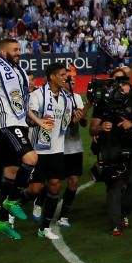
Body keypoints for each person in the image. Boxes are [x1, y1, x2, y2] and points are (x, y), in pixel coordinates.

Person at [0, 39, 37, 238]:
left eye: (20, 49)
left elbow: (20, 99)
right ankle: (13, 201)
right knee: (31, 159)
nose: (19, 52)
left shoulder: (18, 69)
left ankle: (2, 221)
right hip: (5, 124)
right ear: (2, 51)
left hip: (19, 123)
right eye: (15, 49)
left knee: (11, 172)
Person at [90, 75, 132, 235]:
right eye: (122, 84)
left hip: (131, 147)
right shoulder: (102, 104)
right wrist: (102, 127)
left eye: (126, 84)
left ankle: (123, 212)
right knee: (114, 186)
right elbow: (92, 129)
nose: (126, 87)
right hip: (110, 148)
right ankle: (115, 223)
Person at [28, 63, 73, 240]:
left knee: (55, 185)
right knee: (34, 189)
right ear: (52, 77)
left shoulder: (66, 98)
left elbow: (69, 121)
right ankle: (11, 206)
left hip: (57, 148)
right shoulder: (37, 95)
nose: (65, 78)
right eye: (62, 75)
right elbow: (28, 119)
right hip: (38, 149)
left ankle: (44, 227)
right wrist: (39, 121)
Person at [57, 84, 87, 227]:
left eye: (74, 79)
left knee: (74, 181)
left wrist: (87, 107)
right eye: (68, 78)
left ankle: (63, 215)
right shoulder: (54, 97)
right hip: (57, 147)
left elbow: (83, 121)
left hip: (74, 146)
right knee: (54, 182)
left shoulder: (76, 98)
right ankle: (38, 201)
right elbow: (66, 124)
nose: (72, 82)